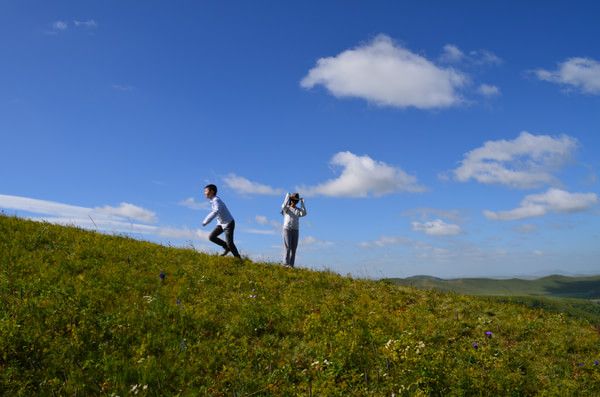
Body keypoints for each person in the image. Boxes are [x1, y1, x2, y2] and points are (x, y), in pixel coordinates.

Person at [201, 184, 241, 258]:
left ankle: (238, 259)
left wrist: (206, 221)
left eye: (206, 191)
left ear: (212, 191)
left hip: (229, 223)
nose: (204, 193)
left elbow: (216, 211)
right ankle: (227, 247)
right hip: (221, 224)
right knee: (211, 237)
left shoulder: (216, 200)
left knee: (230, 243)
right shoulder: (213, 201)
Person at [280, 192, 307, 267]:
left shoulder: (298, 210)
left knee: (294, 249)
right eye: (293, 200)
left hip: (295, 230)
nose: (294, 202)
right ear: (290, 200)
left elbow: (304, 213)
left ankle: (291, 265)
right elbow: (283, 206)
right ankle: (285, 264)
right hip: (287, 229)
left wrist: (302, 203)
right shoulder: (287, 208)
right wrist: (287, 196)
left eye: (296, 201)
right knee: (288, 247)